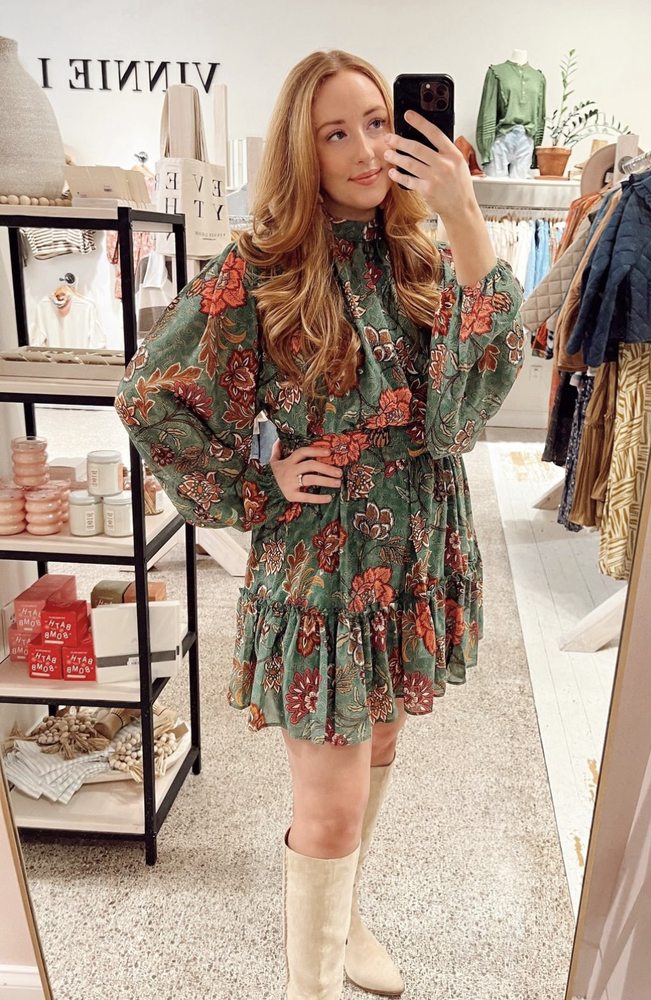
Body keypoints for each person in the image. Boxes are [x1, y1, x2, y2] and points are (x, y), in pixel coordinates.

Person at [115, 49, 524, 1000]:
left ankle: (345, 922)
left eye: (377, 122)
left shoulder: (426, 259)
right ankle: (312, 982)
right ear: (303, 150)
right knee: (330, 807)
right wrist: (253, 481)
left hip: (412, 552)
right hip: (325, 564)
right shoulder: (259, 269)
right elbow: (148, 394)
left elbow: (460, 418)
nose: (366, 148)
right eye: (336, 132)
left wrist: (465, 216)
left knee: (378, 750)